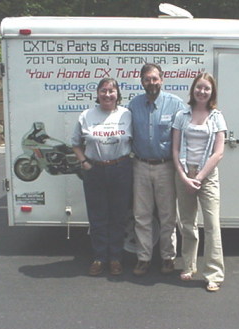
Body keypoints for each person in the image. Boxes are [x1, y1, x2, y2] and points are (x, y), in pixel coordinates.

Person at [71, 78, 132, 276]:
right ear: (97, 93)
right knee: (97, 217)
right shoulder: (86, 115)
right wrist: (84, 162)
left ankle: (115, 258)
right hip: (94, 171)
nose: (107, 95)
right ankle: (99, 258)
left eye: (111, 91)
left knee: (118, 216)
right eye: (103, 91)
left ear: (117, 94)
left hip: (120, 169)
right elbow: (75, 143)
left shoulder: (127, 114)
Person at [172, 72, 227, 292]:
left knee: (212, 225)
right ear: (192, 90)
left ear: (212, 92)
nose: (202, 92)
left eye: (206, 88)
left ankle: (213, 274)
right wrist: (185, 176)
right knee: (187, 223)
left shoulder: (217, 117)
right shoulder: (181, 116)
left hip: (207, 175)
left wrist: (200, 177)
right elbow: (174, 150)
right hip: (184, 174)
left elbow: (219, 152)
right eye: (198, 87)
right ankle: (188, 265)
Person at [129, 63, 185, 276]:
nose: (151, 83)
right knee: (141, 215)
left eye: (155, 78)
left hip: (166, 167)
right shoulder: (134, 105)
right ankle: (143, 258)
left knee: (167, 216)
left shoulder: (175, 104)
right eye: (147, 79)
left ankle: (168, 257)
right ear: (141, 81)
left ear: (162, 79)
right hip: (140, 166)